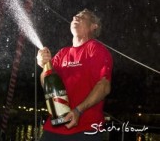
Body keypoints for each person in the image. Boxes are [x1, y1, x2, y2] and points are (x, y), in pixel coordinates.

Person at [37, 9, 113, 141]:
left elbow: (104, 86)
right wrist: (44, 65)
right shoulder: (62, 53)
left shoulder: (96, 49)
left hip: (86, 130)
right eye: (75, 16)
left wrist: (78, 110)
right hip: (53, 128)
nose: (75, 17)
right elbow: (45, 84)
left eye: (82, 16)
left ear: (94, 26)